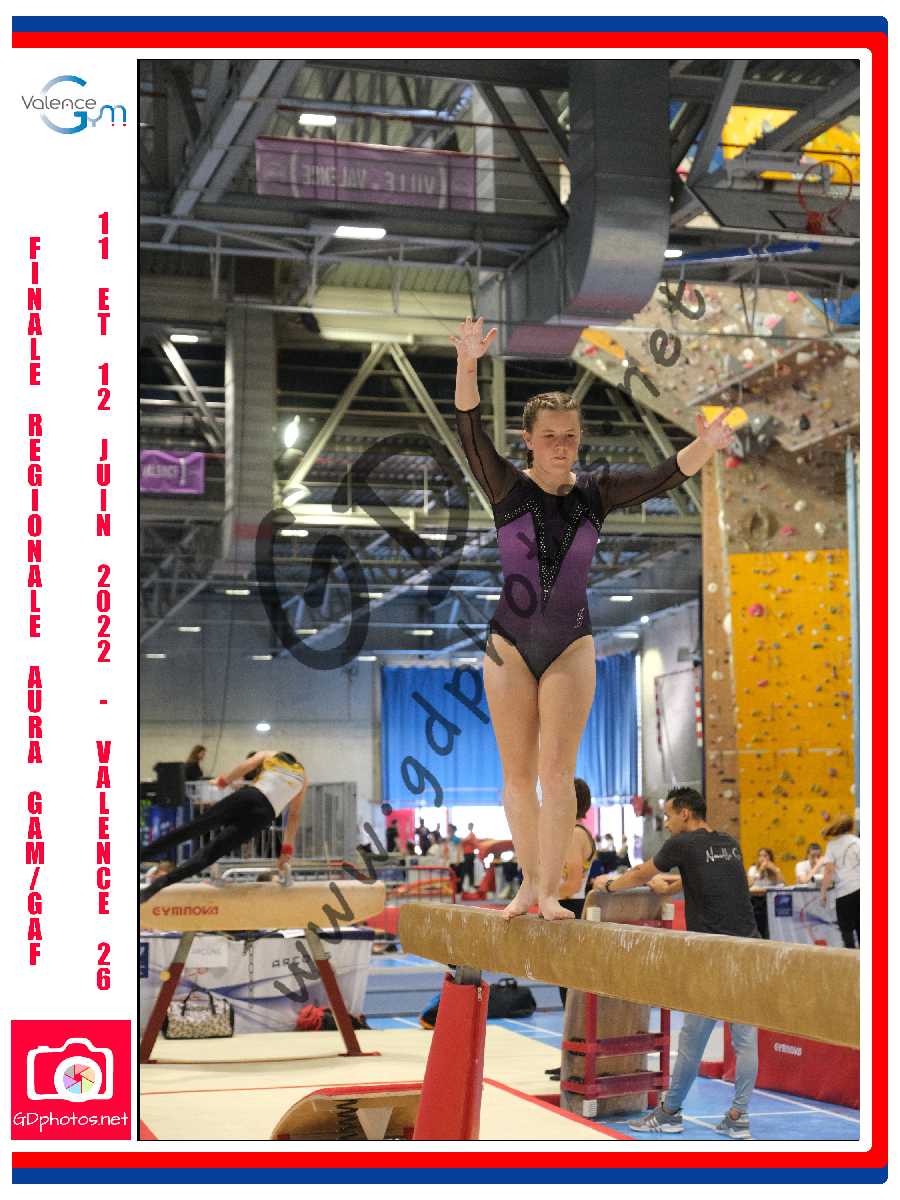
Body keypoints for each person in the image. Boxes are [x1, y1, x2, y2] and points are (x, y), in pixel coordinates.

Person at [451, 316, 732, 921]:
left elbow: (662, 475)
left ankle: (550, 892)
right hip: (508, 643)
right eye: (550, 436)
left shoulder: (594, 494)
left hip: (570, 644)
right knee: (517, 775)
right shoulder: (506, 488)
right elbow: (470, 431)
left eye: (571, 436)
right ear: (529, 440)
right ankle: (528, 884)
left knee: (558, 775)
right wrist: (467, 364)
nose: (562, 446)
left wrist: (705, 445)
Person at [592, 786, 759, 1140]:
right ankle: (738, 1117)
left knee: (692, 1040)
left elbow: (641, 873)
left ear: (685, 813)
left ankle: (669, 1113)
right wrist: (670, 889)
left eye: (669, 815)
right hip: (748, 949)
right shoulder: (729, 843)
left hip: (712, 953)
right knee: (745, 1040)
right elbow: (714, 878)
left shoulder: (682, 843)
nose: (666, 823)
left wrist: (608, 887)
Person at [140, 751, 307, 902]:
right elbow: (294, 815)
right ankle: (161, 884)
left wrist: (224, 781)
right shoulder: (303, 777)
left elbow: (247, 765)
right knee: (210, 854)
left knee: (193, 828)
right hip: (264, 816)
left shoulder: (270, 754)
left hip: (250, 796)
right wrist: (286, 851)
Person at [557, 777, 595, 1007]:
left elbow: (572, 884)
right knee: (564, 980)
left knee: (567, 982)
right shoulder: (576, 832)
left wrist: (542, 897)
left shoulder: (574, 834)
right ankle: (573, 1027)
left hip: (570, 906)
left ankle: (574, 1028)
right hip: (569, 905)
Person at [820, 815, 860, 949]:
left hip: (845, 892)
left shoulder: (832, 845)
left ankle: (850, 958)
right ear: (851, 827)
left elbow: (828, 871)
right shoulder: (858, 842)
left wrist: (823, 892)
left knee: (846, 931)